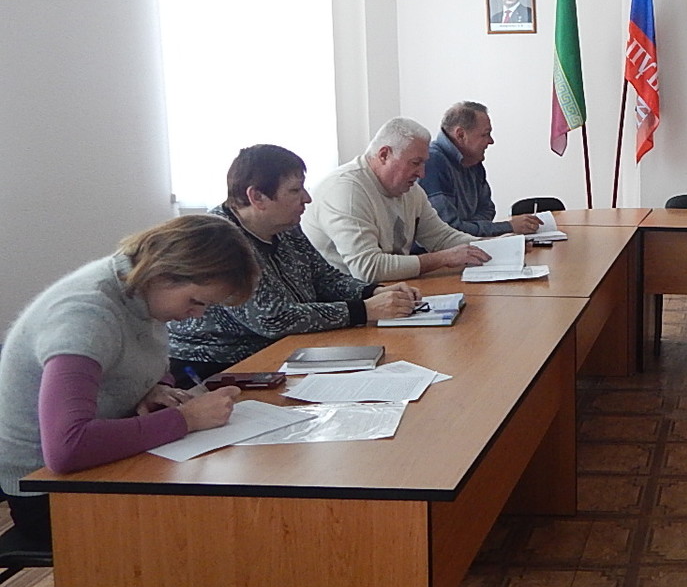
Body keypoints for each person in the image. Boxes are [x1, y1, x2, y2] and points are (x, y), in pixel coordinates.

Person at [0, 216, 259, 546]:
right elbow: (66, 449)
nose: (198, 315)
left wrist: (155, 389)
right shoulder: (86, 314)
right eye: (196, 302)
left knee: (230, 501)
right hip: (47, 493)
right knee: (217, 525)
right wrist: (186, 419)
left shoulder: (139, 291)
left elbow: (134, 361)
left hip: (95, 466)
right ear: (163, 273)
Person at [168, 144, 423, 380]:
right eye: (294, 190)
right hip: (221, 367)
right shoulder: (221, 240)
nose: (307, 199)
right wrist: (364, 309)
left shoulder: (286, 226)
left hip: (290, 350)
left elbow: (325, 277)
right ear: (257, 197)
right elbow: (273, 318)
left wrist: (374, 292)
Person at [302, 117, 493, 283]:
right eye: (415, 163)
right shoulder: (345, 190)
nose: (422, 173)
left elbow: (443, 238)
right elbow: (367, 269)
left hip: (387, 292)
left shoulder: (411, 191)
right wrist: (442, 258)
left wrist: (496, 246)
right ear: (384, 155)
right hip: (344, 303)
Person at [420, 101, 542, 238]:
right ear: (460, 135)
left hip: (469, 245)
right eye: (485, 134)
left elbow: (488, 208)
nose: (491, 141)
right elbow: (448, 230)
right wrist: (507, 227)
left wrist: (469, 227)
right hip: (440, 250)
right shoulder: (432, 162)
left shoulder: (473, 160)